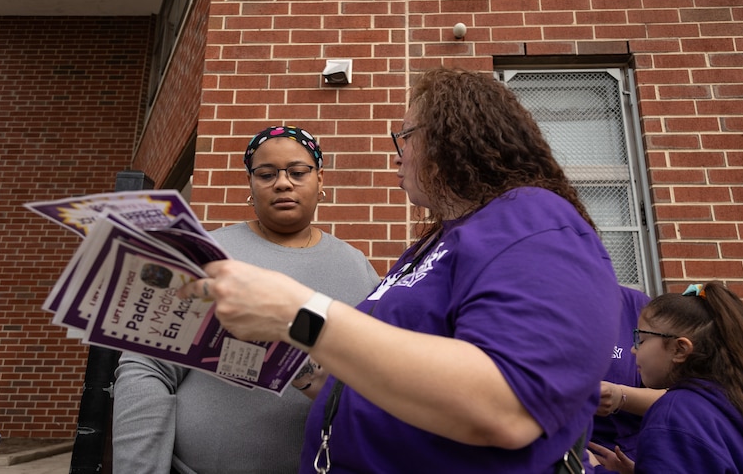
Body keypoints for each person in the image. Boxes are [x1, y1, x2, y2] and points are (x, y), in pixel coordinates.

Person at [181, 67, 624, 473]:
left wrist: (296, 312)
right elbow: (374, 380)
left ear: (451, 138)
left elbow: (505, 406)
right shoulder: (432, 245)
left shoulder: (532, 220)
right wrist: (292, 362)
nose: (397, 155)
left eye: (406, 137)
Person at [112, 126, 381, 474]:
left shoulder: (356, 269)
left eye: (298, 172)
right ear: (250, 185)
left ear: (320, 179)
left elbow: (372, 384)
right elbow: (146, 368)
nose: (283, 183)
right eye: (266, 174)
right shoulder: (205, 256)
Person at [590, 282, 743, 474]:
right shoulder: (737, 403)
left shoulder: (672, 416)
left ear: (680, 349)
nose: (633, 349)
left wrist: (594, 470)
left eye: (641, 340)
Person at [588, 286, 665, 473]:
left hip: (627, 457)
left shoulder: (635, 306)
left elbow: (678, 398)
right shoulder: (533, 305)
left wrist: (620, 396)